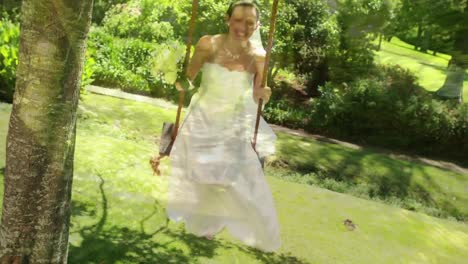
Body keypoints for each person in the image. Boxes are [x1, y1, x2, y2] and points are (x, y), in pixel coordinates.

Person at [165, 0, 281, 252]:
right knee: (198, 174)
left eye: (250, 22)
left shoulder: (260, 57)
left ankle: (229, 221)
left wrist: (264, 93)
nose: (243, 26)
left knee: (233, 178)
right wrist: (175, 76)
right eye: (238, 20)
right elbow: (188, 81)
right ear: (228, 20)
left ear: (257, 25)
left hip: (233, 123)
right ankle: (208, 221)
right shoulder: (208, 44)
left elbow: (257, 94)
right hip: (203, 117)